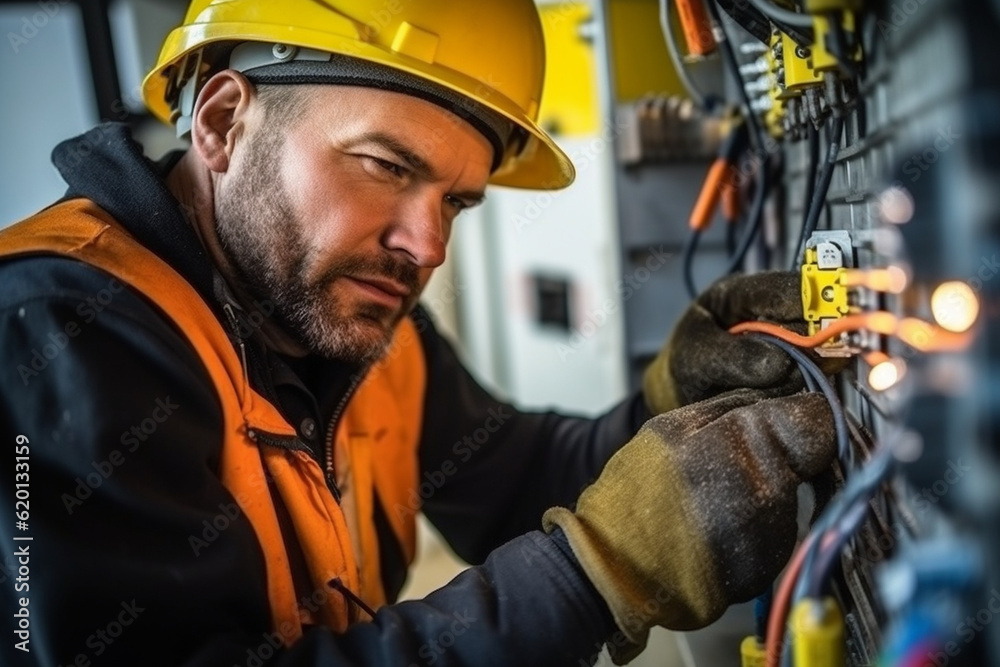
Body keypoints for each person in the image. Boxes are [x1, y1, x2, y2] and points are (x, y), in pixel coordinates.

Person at [0, 1, 835, 665]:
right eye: (386, 167)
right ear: (221, 123)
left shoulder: (347, 314)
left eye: (455, 201)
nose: (427, 246)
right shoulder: (56, 336)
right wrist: (596, 576)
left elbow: (513, 482)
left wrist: (671, 394)